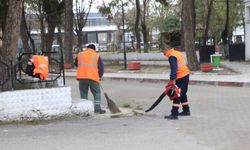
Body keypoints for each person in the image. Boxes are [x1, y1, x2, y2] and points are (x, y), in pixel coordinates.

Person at [162, 44, 191, 120]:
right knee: (183, 93)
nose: (163, 54)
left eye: (163, 51)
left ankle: (174, 114)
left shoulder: (172, 56)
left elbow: (174, 69)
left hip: (181, 76)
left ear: (166, 49)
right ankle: (186, 110)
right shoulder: (177, 53)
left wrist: (172, 80)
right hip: (186, 74)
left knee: (177, 94)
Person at [75, 44, 105, 114]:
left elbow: (76, 64)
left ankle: (85, 110)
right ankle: (97, 109)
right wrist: (99, 76)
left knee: (83, 93)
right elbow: (101, 68)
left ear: (87, 48)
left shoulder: (79, 54)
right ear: (94, 49)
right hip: (93, 77)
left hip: (81, 77)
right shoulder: (96, 56)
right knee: (97, 93)